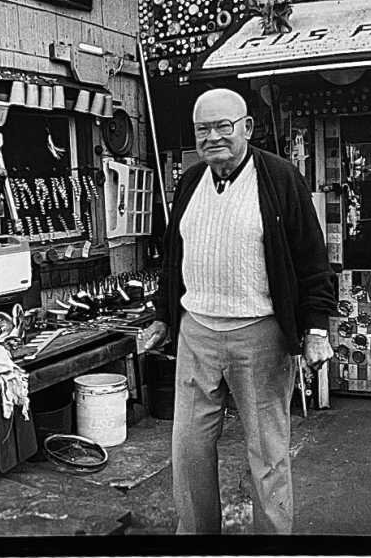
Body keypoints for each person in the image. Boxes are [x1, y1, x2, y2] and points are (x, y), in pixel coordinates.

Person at [137, 88, 336, 535]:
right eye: (202, 129)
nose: (212, 138)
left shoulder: (280, 178)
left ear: (246, 127)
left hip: (260, 333)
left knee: (267, 452)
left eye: (223, 126)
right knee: (188, 449)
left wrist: (317, 329)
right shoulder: (190, 181)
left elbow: (311, 259)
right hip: (197, 332)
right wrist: (163, 316)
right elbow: (174, 259)